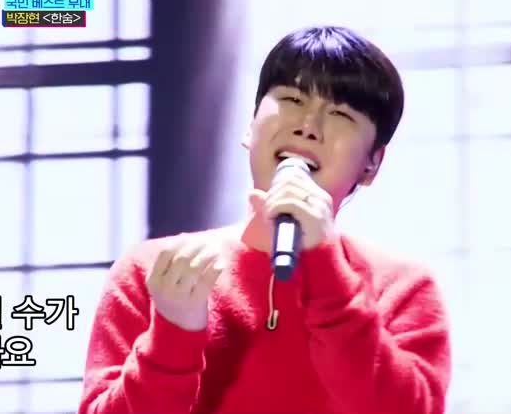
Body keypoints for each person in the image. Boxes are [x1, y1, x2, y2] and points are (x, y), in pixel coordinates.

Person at [78, 26, 451, 414]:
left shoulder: (403, 288)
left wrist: (327, 271)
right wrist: (173, 335)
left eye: (340, 114)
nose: (308, 126)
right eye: (292, 99)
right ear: (250, 126)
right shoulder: (159, 271)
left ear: (372, 163)